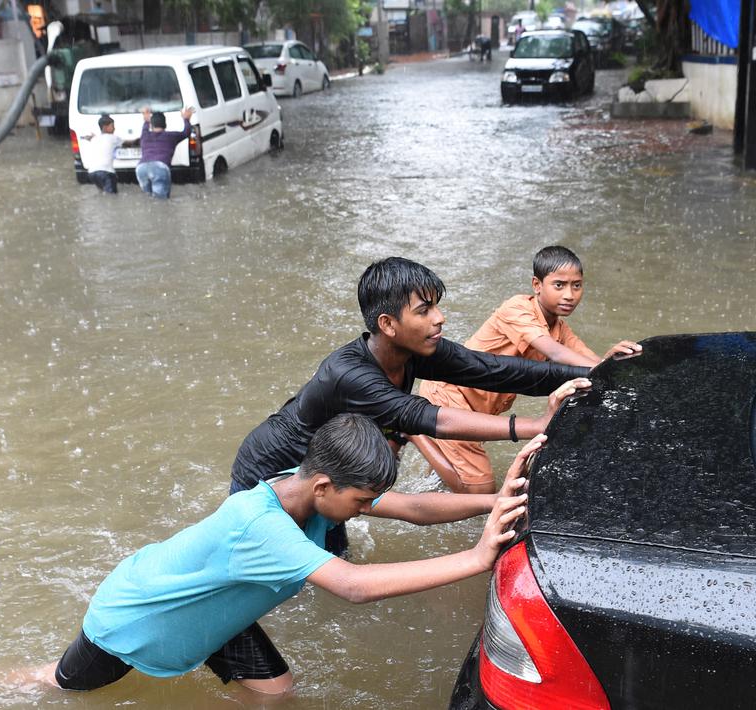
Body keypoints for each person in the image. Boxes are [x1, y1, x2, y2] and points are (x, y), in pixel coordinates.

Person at [35, 413, 538, 697]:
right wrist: (476, 559)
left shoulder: (305, 492)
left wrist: (499, 501)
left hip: (218, 617)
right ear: (323, 485)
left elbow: (411, 507)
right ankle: (17, 679)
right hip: (137, 619)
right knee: (60, 689)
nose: (365, 509)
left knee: (277, 692)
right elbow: (352, 585)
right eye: (360, 501)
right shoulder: (264, 527)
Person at [229, 257, 589, 553]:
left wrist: (594, 372)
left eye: (436, 306)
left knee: (334, 554)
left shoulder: (416, 351)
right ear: (388, 324)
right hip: (274, 468)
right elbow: (427, 418)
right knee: (277, 564)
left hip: (332, 469)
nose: (439, 318)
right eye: (424, 310)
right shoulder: (349, 374)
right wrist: (534, 426)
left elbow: (494, 370)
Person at [415, 246, 642, 493]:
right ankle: (414, 434)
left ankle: (430, 442)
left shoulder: (560, 329)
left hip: (479, 408)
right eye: (559, 285)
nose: (569, 294)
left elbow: (590, 363)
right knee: (480, 491)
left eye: (576, 285)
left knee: (440, 484)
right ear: (537, 285)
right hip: (450, 395)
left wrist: (614, 360)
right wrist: (601, 365)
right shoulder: (517, 308)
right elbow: (554, 352)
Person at [136, 105, 195, 199]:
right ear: (165, 124)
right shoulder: (171, 136)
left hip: (141, 168)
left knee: (149, 199)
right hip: (160, 167)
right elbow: (186, 133)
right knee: (161, 202)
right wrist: (186, 119)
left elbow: (145, 128)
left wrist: (146, 119)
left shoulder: (145, 135)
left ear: (152, 125)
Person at [77, 115, 128, 194]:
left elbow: (83, 137)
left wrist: (89, 137)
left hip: (92, 173)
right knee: (112, 197)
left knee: (103, 193)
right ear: (105, 127)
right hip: (106, 172)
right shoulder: (113, 138)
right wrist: (139, 140)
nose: (114, 128)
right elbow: (128, 143)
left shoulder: (95, 138)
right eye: (112, 126)